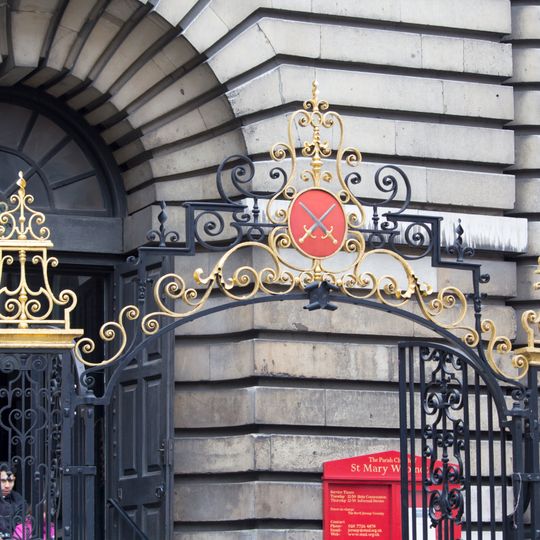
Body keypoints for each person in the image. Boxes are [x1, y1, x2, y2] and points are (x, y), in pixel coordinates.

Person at [0, 464, 29, 539]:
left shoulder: (19, 502)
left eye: (10, 481)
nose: (7, 485)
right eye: (3, 481)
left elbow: (20, 530)